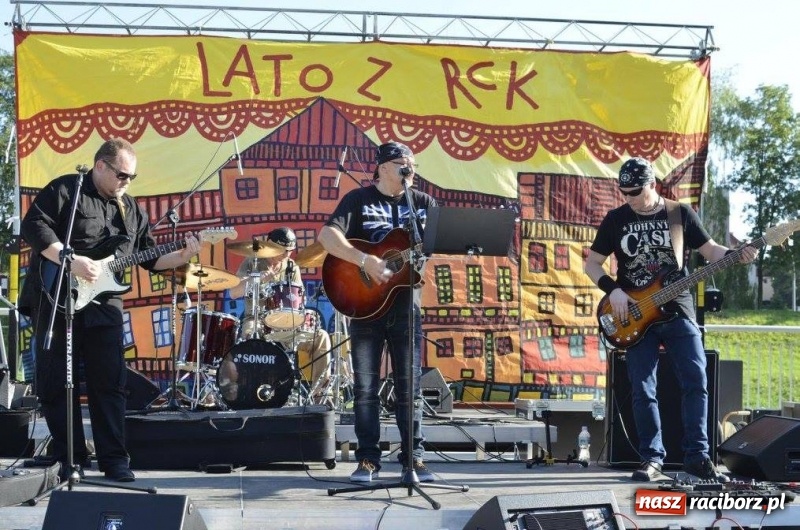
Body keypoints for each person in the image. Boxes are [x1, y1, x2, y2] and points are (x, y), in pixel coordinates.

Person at [19, 138, 201, 482]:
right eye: (122, 175)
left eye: (132, 177)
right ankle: (69, 457)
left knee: (110, 381)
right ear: (100, 166)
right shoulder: (68, 189)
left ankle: (114, 460)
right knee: (56, 381)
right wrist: (69, 259)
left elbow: (150, 257)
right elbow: (34, 225)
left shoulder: (130, 209)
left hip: (105, 304)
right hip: (57, 295)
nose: (127, 182)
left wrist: (184, 254)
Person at [584, 157, 756, 482]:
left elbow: (711, 251)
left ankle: (698, 458)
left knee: (696, 382)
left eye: (635, 192)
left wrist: (738, 254)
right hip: (633, 313)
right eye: (624, 192)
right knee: (642, 388)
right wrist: (614, 291)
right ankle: (652, 459)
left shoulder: (679, 213)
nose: (629, 198)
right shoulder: (616, 219)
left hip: (678, 309)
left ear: (652, 184)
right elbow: (592, 264)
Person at [317, 141, 437, 483]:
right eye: (402, 163)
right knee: (366, 389)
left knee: (410, 389)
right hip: (366, 305)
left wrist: (465, 243)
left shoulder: (424, 204)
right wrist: (365, 260)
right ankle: (368, 459)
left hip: (407, 305)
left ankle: (414, 459)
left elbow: (434, 246)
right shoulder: (358, 200)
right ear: (383, 167)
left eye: (412, 163)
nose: (410, 168)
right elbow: (327, 236)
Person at [228, 227, 332, 395]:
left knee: (321, 337)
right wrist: (259, 279)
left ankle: (319, 395)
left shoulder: (291, 266)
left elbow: (299, 299)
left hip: (288, 323)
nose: (287, 254)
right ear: (270, 244)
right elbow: (234, 292)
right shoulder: (252, 261)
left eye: (290, 250)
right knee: (249, 335)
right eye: (283, 250)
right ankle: (249, 392)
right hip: (257, 320)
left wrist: (303, 315)